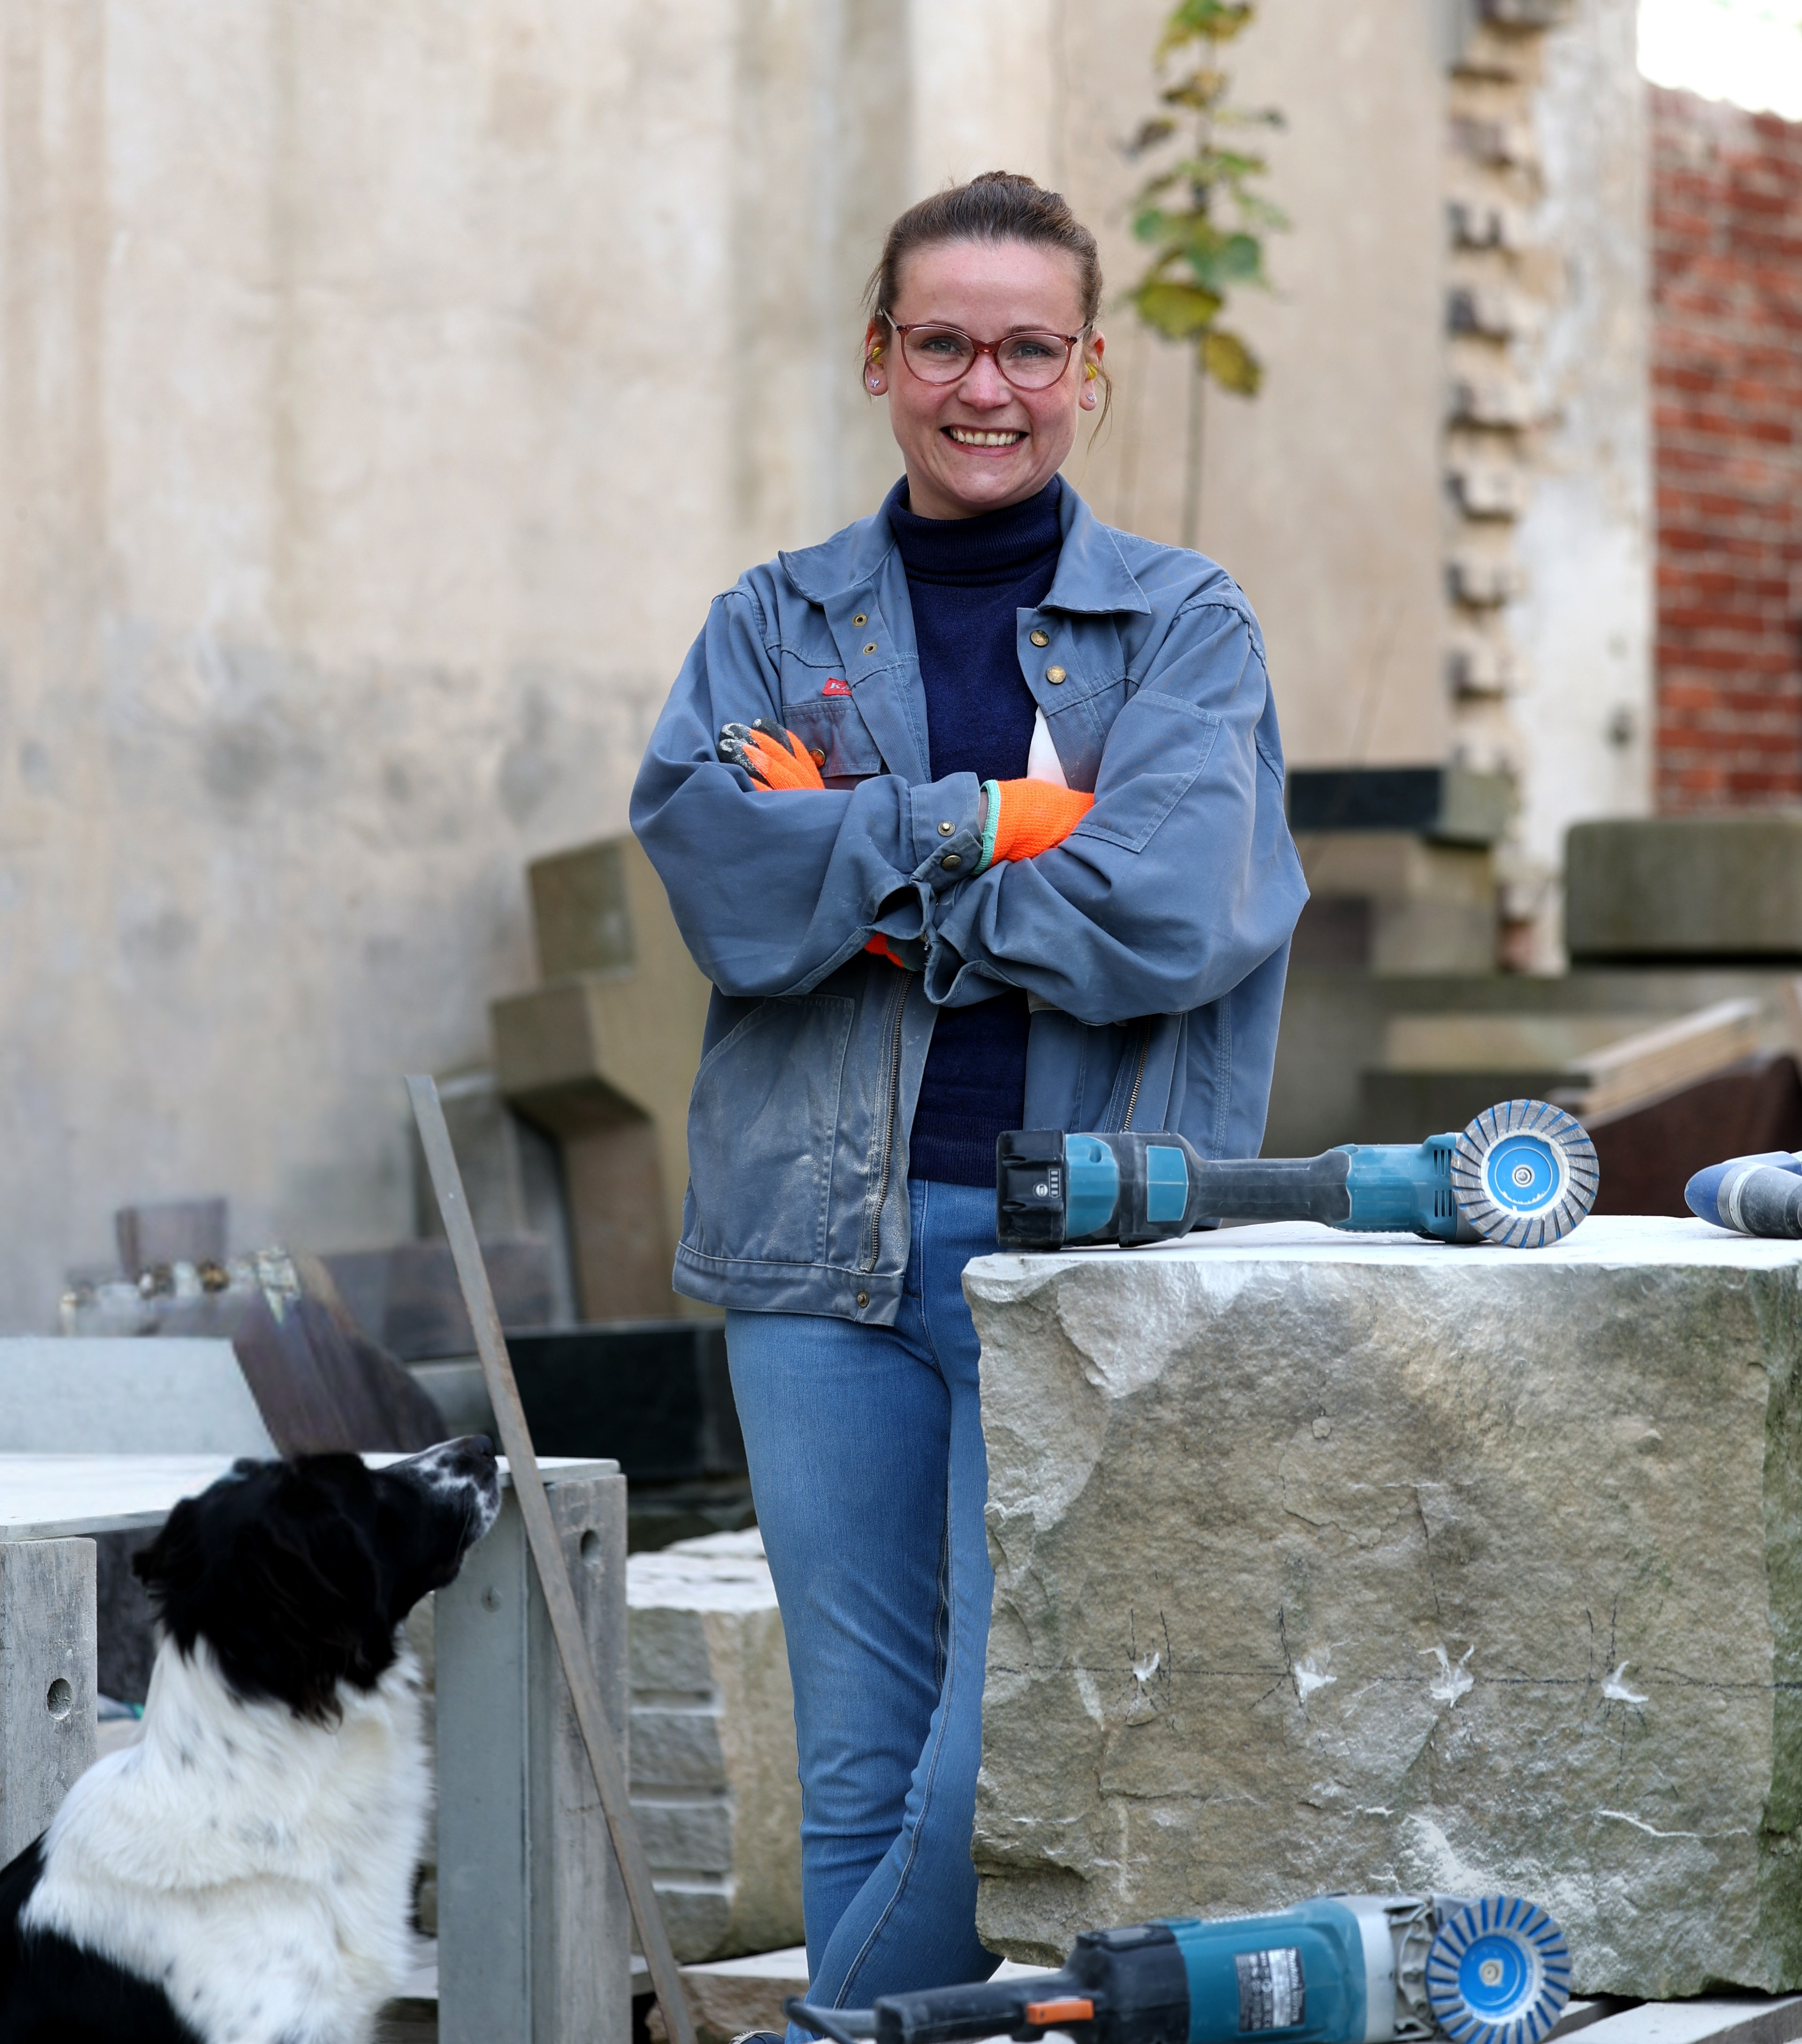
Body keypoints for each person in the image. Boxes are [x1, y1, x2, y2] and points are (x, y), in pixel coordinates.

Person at [630, 171, 1306, 2024]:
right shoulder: (771, 624)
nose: (981, 385)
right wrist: (989, 824)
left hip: (1074, 1244)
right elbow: (719, 878)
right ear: (879, 358)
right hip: (812, 1253)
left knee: (977, 1749)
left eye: (1026, 346)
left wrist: (858, 876)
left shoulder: (1183, 629)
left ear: (1090, 369)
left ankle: (840, 2034)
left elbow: (1164, 910)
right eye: (941, 341)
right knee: (856, 1763)